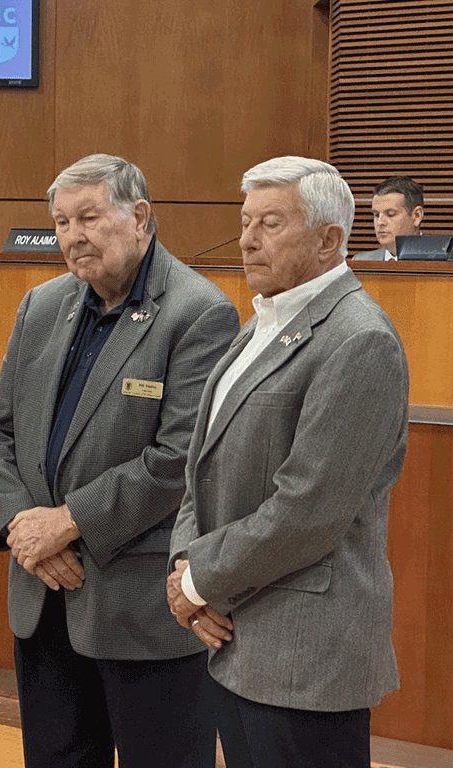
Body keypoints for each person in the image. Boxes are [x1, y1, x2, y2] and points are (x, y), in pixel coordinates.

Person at [0, 153, 239, 768]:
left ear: (140, 217)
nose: (72, 236)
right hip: (43, 592)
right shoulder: (41, 305)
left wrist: (66, 522)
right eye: (62, 222)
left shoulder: (199, 312)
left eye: (89, 217)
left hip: (140, 610)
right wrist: (24, 527)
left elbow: (177, 459)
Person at [167, 156, 408, 768]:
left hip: (307, 658)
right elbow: (200, 468)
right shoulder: (260, 323)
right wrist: (185, 568)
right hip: (235, 639)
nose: (247, 239)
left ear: (329, 239)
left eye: (270, 223)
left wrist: (197, 582)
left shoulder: (360, 340)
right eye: (246, 221)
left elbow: (309, 509)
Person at [351, 175, 424, 260]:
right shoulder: (360, 261)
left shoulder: (440, 261)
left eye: (390, 214)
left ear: (416, 216)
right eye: (376, 215)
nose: (380, 222)